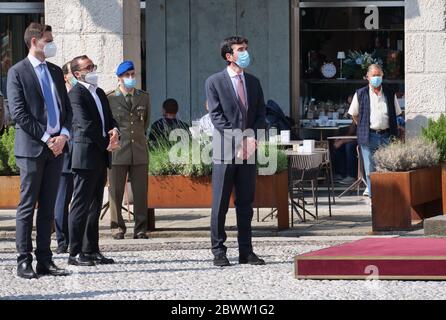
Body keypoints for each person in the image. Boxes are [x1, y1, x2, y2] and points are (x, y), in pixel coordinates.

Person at [6, 22, 72, 279]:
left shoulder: (55, 71)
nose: (52, 43)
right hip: (33, 148)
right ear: (34, 41)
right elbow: (19, 114)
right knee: (27, 206)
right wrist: (48, 138)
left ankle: (46, 259)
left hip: (57, 149)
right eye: (48, 39)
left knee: (48, 207)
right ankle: (24, 260)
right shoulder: (17, 72)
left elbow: (66, 107)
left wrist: (64, 135)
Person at [205, 36, 266, 267]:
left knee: (245, 204)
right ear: (228, 56)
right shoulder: (214, 82)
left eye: (246, 49)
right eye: (240, 50)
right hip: (225, 151)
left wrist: (252, 138)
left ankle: (246, 251)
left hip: (248, 152)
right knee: (220, 204)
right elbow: (217, 117)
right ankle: (218, 251)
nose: (245, 53)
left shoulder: (253, 82)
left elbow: (261, 113)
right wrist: (240, 139)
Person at [68, 55, 120, 266]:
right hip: (85, 156)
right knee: (80, 205)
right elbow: (84, 124)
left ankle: (91, 249)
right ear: (77, 73)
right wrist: (106, 142)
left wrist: (115, 131)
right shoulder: (75, 94)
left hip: (100, 155)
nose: (93, 70)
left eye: (93, 66)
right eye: (88, 68)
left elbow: (109, 117)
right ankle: (75, 252)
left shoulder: (98, 92)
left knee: (95, 205)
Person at [107, 60, 151, 240]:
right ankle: (117, 227)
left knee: (141, 192)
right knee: (115, 191)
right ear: (119, 79)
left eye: (133, 74)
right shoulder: (110, 98)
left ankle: (140, 228)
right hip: (118, 151)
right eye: (127, 75)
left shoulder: (144, 97)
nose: (131, 78)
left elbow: (145, 122)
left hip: (139, 150)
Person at [348, 64, 402, 197]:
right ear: (367, 77)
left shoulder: (389, 93)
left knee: (388, 165)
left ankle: (388, 193)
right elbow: (354, 114)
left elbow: (396, 113)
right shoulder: (360, 93)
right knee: (369, 168)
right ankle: (374, 195)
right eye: (374, 75)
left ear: (382, 76)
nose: (376, 78)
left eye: (379, 75)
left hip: (386, 135)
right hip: (369, 136)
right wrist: (361, 126)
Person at [53, 61, 75, 254]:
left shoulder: (84, 94)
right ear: (66, 77)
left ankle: (78, 239)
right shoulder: (59, 98)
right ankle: (62, 240)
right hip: (65, 155)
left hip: (83, 156)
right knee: (62, 200)